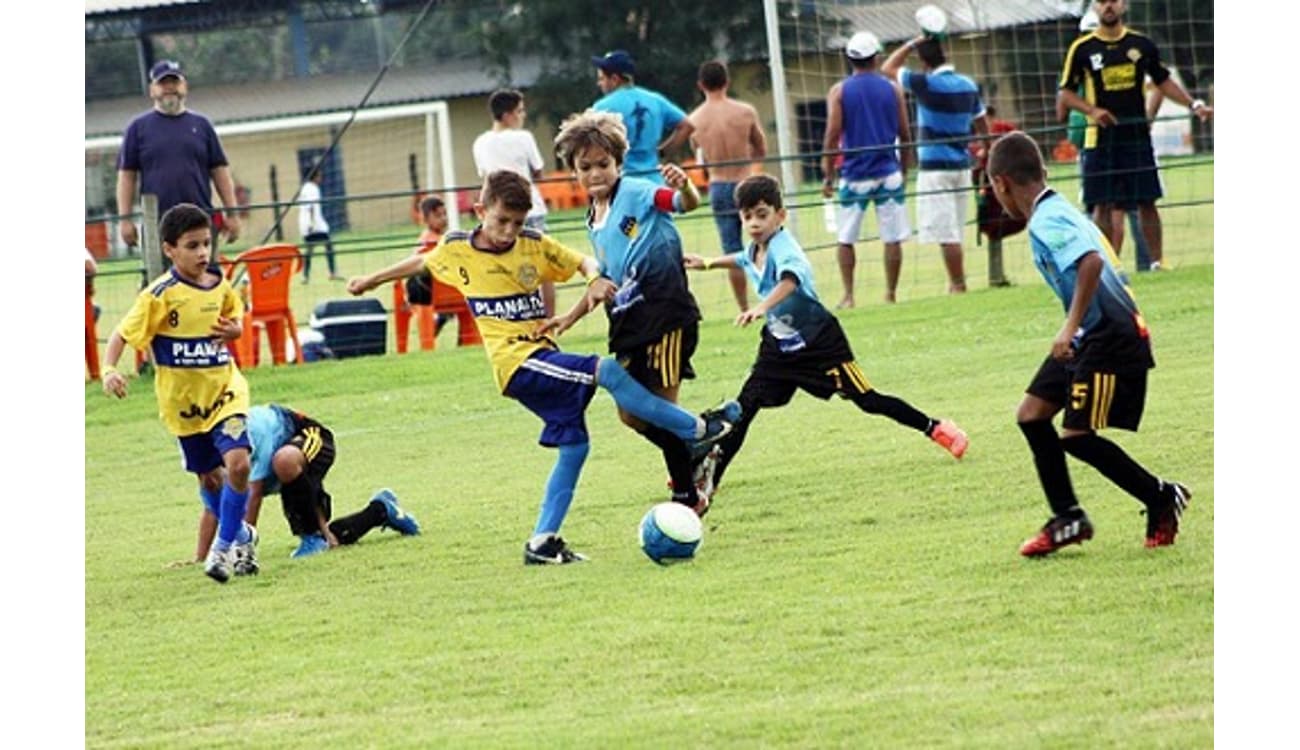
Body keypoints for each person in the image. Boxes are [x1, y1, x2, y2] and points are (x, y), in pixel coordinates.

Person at [346, 170, 737, 564]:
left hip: (540, 355)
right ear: (481, 210)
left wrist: (594, 279)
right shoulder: (456, 247)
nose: (508, 232)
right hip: (517, 363)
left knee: (575, 447)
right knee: (607, 371)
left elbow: (583, 261)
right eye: (501, 221)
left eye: (517, 223)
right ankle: (697, 431)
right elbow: (422, 262)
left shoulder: (532, 245)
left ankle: (542, 543)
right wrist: (372, 280)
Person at [683, 174, 968, 507]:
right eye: (747, 217)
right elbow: (742, 258)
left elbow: (789, 280)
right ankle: (707, 486)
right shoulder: (755, 248)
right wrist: (707, 263)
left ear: (780, 214)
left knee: (868, 400)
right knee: (745, 409)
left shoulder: (786, 249)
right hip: (778, 346)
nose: (754, 223)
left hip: (821, 344)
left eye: (762, 214)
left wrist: (760, 307)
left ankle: (936, 428)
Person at [984, 131, 1190, 557]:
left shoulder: (1045, 220)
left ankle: (1160, 496)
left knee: (1076, 435)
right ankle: (1068, 517)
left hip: (1109, 335)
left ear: (1001, 183)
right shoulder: (1059, 208)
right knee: (1032, 415)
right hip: (1093, 332)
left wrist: (1068, 326)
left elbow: (1091, 261)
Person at [553, 109, 726, 515]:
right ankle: (705, 438)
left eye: (603, 164)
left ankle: (688, 494)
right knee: (632, 414)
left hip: (666, 316)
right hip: (629, 324)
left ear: (618, 163)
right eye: (585, 167)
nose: (595, 173)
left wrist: (685, 189)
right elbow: (605, 281)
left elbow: (683, 204)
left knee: (657, 409)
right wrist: (568, 318)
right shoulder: (592, 219)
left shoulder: (635, 191)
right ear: (573, 171)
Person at [100, 203, 256, 583]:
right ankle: (243, 535)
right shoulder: (160, 296)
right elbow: (122, 333)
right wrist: (108, 369)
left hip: (226, 393)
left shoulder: (219, 284)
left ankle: (221, 550)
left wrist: (235, 330)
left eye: (206, 243)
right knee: (210, 480)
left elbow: (235, 313)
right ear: (170, 249)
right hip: (184, 406)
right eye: (193, 245)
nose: (203, 252)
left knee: (238, 464)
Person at [1057, 0, 1212, 271]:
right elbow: (1065, 93)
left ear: (1124, 5)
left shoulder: (1142, 45)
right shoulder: (1081, 49)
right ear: (1095, 6)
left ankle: (1156, 262)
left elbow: (1163, 81)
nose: (1108, 6)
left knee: (1147, 200)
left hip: (1137, 137)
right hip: (1100, 139)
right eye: (1102, 1)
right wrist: (1092, 110)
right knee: (1102, 205)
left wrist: (1193, 105)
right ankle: (1106, 265)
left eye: (1113, 1)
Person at [179, 403, 423, 564]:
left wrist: (240, 552)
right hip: (282, 465)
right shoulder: (204, 448)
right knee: (331, 542)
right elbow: (213, 506)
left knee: (284, 461)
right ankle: (380, 510)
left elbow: (252, 496)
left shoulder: (246, 432)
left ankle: (314, 537)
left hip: (311, 439)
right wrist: (200, 558)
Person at [882, 32, 988, 294]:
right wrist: (986, 151)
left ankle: (958, 284)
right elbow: (982, 125)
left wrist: (911, 42)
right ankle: (956, 282)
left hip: (935, 168)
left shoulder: (925, 83)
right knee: (956, 230)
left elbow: (888, 68)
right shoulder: (967, 84)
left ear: (923, 61)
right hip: (962, 166)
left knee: (946, 233)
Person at [821, 31, 913, 307]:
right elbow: (905, 133)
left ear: (849, 59)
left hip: (855, 173)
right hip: (888, 171)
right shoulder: (893, 88)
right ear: (876, 57)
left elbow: (832, 135)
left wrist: (828, 174)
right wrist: (905, 169)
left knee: (846, 238)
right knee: (892, 236)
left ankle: (849, 295)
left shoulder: (839, 91)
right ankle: (890, 294)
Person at [116, 60, 241, 251]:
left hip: (200, 219)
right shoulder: (137, 128)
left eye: (174, 82)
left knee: (205, 277)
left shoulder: (202, 125)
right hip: (158, 223)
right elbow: (126, 177)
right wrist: (125, 220)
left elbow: (220, 171)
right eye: (163, 83)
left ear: (184, 87)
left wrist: (232, 214)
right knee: (161, 279)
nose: (169, 88)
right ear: (152, 90)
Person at [687, 60, 768, 312]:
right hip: (746, 180)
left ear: (701, 85)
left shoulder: (694, 120)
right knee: (766, 242)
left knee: (731, 248)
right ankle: (770, 297)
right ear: (727, 82)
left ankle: (743, 306)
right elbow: (761, 147)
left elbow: (698, 154)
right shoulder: (744, 111)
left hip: (719, 184)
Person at [471, 88, 555, 315]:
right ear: (508, 115)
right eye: (520, 110)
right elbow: (538, 171)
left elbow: (485, 177)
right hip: (530, 209)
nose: (523, 115)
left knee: (504, 266)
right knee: (542, 267)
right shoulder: (523, 138)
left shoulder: (480, 143)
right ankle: (548, 319)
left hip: (497, 212)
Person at [591, 49, 695, 183]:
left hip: (623, 183)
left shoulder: (601, 107)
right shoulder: (655, 100)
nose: (599, 84)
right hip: (655, 180)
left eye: (602, 79)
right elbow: (687, 126)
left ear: (615, 79)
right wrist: (662, 152)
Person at [396, 195, 453, 353]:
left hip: (434, 293)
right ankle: (438, 319)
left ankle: (436, 319)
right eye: (438, 215)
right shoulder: (430, 241)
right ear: (426, 219)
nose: (443, 219)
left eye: (444, 214)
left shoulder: (434, 240)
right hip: (429, 292)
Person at [298, 167, 340, 283]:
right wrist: (312, 223)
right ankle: (332, 272)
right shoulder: (313, 189)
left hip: (306, 224)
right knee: (328, 245)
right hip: (314, 225)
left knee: (310, 250)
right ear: (314, 177)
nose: (321, 178)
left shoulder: (304, 188)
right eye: (319, 176)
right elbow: (310, 206)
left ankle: (305, 276)